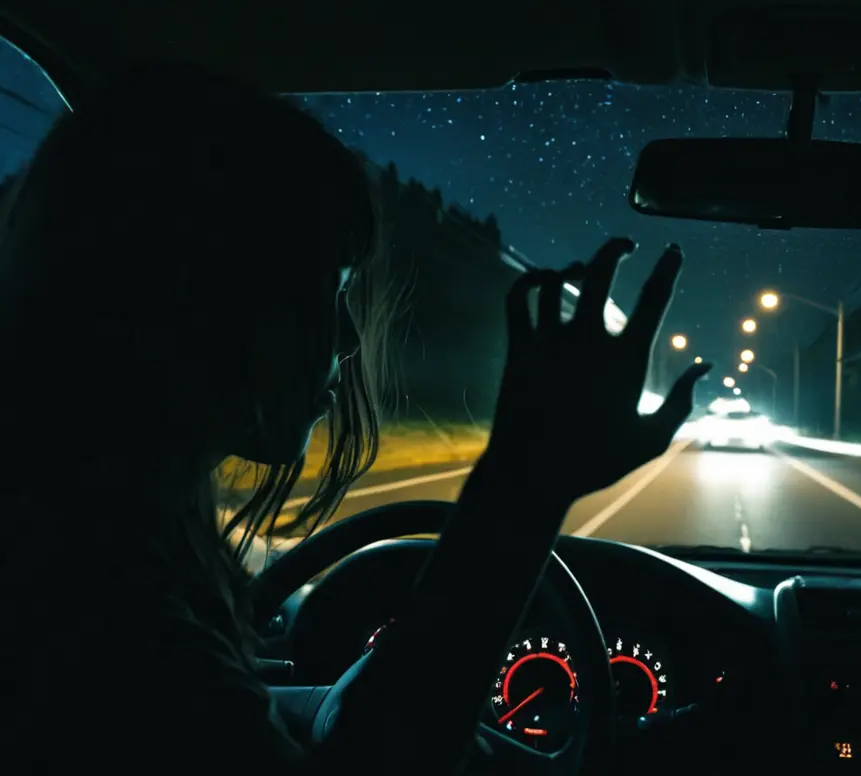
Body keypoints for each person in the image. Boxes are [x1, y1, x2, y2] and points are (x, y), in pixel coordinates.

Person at [0, 60, 709, 772]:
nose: (345, 339)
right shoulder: (110, 622)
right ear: (201, 298)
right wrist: (526, 482)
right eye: (326, 291)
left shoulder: (71, 544)